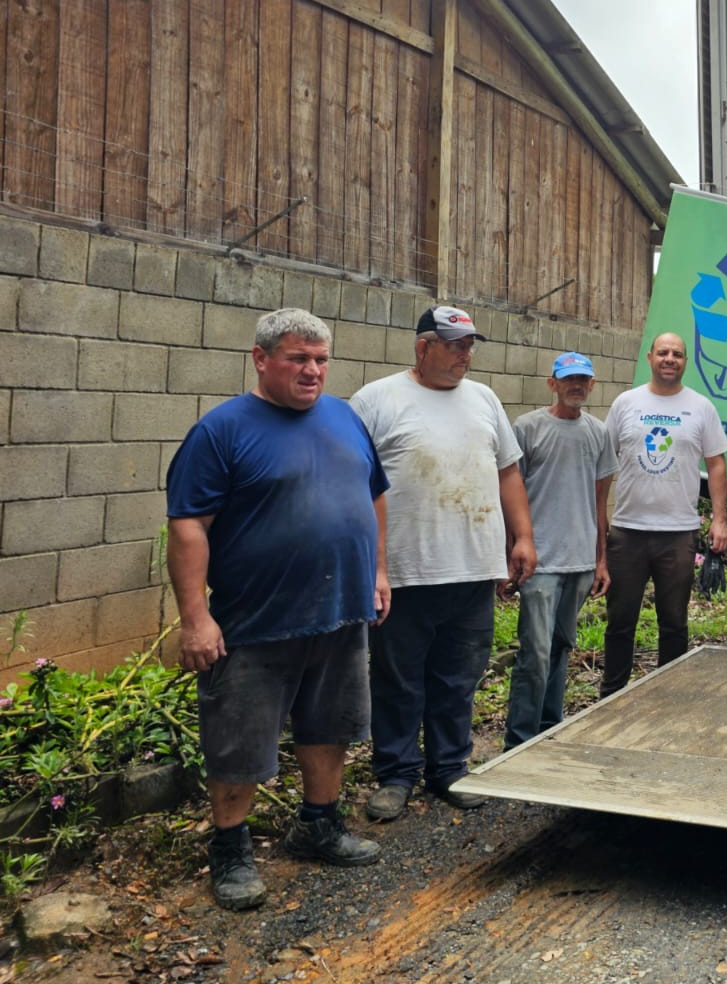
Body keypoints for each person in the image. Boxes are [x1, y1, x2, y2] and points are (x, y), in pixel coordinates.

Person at [166, 308, 389, 912]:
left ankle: (318, 824)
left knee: (332, 725)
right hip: (256, 620)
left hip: (341, 611)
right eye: (298, 358)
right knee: (238, 740)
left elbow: (374, 497)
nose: (312, 370)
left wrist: (378, 572)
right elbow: (188, 525)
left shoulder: (345, 417)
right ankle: (231, 849)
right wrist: (196, 618)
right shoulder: (222, 431)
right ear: (261, 358)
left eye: (320, 359)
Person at [352, 305, 534, 820]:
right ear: (422, 347)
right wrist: (372, 564)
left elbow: (508, 474)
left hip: (473, 566)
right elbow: (354, 483)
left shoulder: (484, 399)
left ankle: (450, 768)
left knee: (459, 675)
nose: (464, 355)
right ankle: (397, 773)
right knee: (398, 675)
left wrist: (522, 537)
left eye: (469, 345)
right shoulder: (376, 400)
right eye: (454, 345)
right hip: (406, 570)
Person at [602, 332, 727, 697]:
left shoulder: (701, 407)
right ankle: (611, 694)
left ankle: (669, 694)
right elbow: (604, 466)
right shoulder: (626, 403)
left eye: (677, 354)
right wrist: (600, 521)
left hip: (678, 533)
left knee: (673, 621)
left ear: (685, 361)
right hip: (628, 532)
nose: (669, 359)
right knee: (620, 621)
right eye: (663, 353)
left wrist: (719, 519)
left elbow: (717, 464)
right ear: (650, 358)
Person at [501, 351, 618, 747]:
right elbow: (509, 494)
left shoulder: (598, 433)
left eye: (583, 380)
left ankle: (548, 729)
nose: (576, 386)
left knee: (562, 647)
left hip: (581, 561)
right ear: (552, 383)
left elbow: (600, 502)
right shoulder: (528, 428)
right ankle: (518, 741)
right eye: (568, 379)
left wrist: (601, 559)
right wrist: (509, 553)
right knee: (534, 653)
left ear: (592, 385)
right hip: (540, 562)